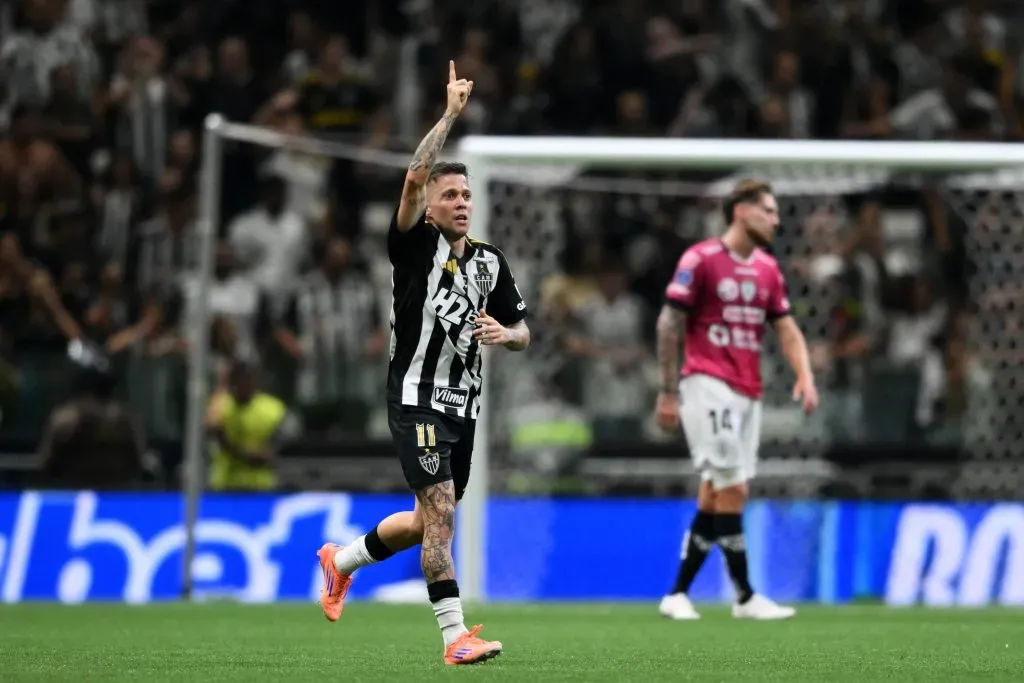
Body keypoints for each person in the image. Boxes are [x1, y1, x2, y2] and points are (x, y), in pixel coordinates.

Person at [316, 61, 529, 665]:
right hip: (415, 397)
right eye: (450, 195)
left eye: (466, 194)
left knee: (422, 520)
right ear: (430, 206)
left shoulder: (490, 261)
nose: (461, 203)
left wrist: (506, 335)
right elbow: (412, 177)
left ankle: (341, 560)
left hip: (463, 406)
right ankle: (454, 638)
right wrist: (450, 117)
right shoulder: (414, 247)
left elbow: (524, 332)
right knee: (441, 517)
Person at [653, 179, 819, 620]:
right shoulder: (701, 259)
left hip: (749, 390)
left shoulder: (767, 269)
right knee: (735, 488)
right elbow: (669, 324)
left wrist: (804, 374)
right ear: (741, 211)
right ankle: (745, 596)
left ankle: (677, 594)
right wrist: (668, 391)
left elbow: (786, 328)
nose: (776, 220)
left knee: (715, 493)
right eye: (769, 210)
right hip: (706, 383)